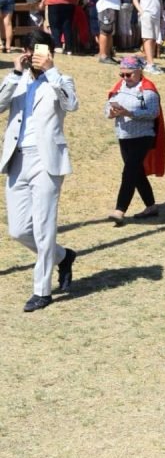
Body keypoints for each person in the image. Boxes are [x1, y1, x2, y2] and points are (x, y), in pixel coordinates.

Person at [0, 31, 78, 312]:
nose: (38, 57)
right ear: (26, 52)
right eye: (33, 51)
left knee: (44, 228)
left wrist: (51, 71)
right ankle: (63, 256)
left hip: (47, 161)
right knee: (18, 230)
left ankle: (41, 291)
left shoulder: (61, 79)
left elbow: (71, 104)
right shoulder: (17, 81)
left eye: (44, 51)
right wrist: (14, 73)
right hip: (17, 159)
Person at [105, 56, 165, 225]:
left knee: (129, 172)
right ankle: (151, 206)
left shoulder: (147, 90)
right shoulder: (119, 87)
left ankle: (120, 210)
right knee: (137, 172)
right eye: (122, 74)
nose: (125, 78)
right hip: (124, 136)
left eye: (128, 74)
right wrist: (111, 113)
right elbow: (107, 107)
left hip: (143, 136)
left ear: (139, 71)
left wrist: (129, 113)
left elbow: (152, 112)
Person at [132, 0, 165, 75]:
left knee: (154, 38)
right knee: (148, 38)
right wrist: (141, 11)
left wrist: (161, 14)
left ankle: (149, 62)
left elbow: (160, 1)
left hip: (156, 14)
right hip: (146, 14)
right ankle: (150, 64)